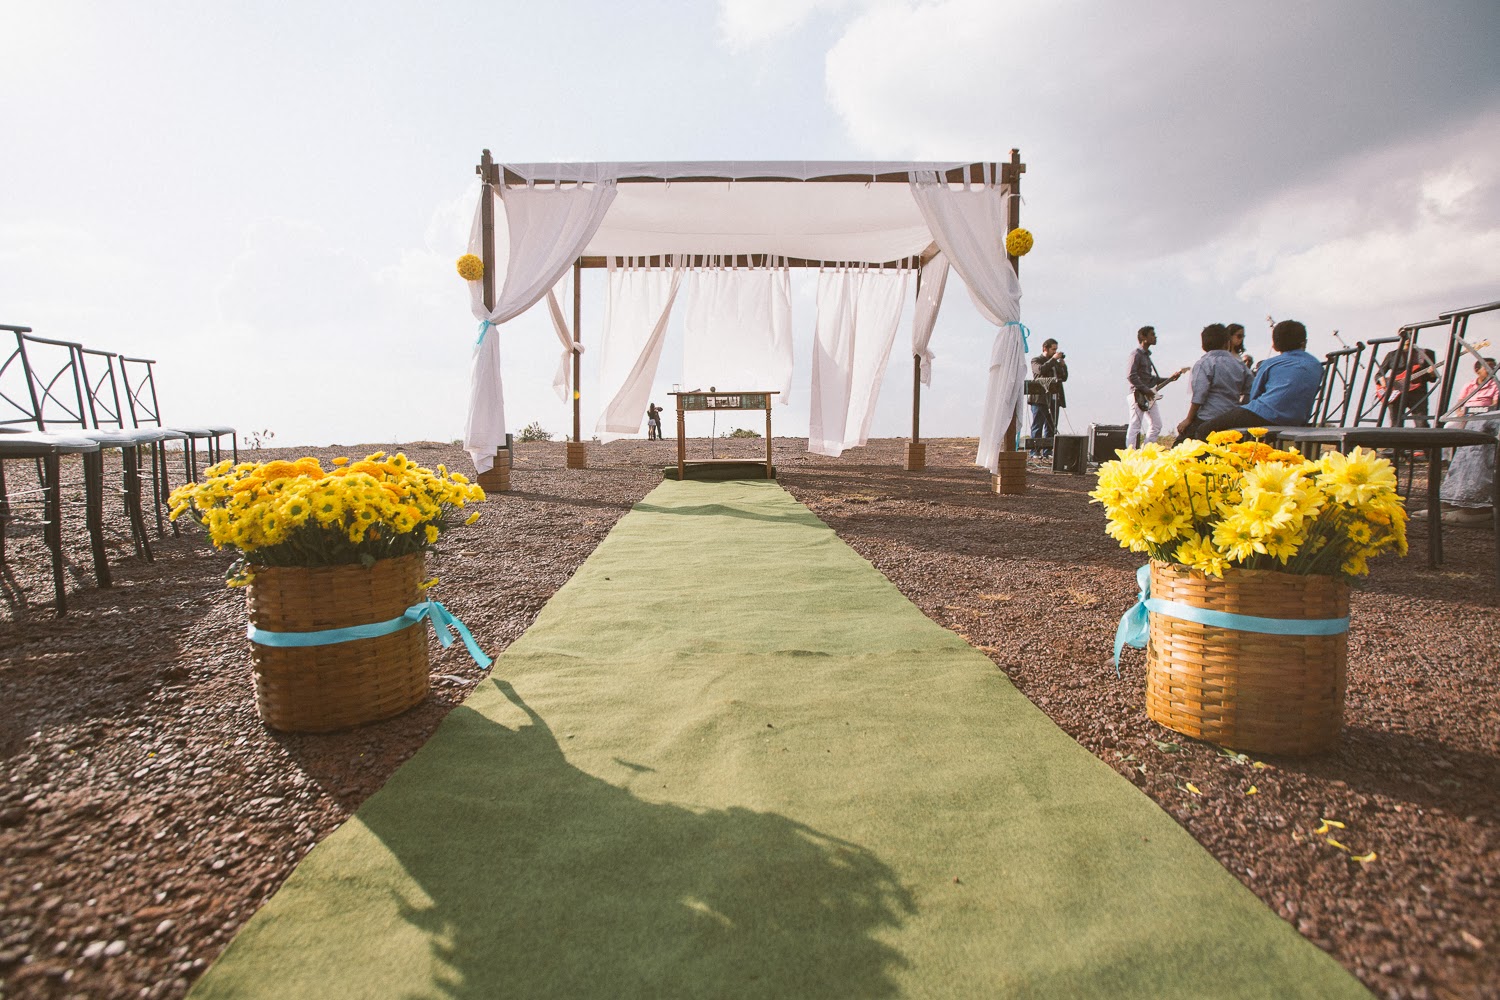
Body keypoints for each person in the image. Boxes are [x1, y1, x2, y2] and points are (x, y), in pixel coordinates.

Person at [1194, 319, 1324, 434]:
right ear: (1304, 342)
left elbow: (1254, 394)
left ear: (1274, 345)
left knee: (1204, 430)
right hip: (1296, 419)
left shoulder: (1269, 364)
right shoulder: (1316, 365)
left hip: (1263, 413)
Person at [1176, 324, 1252, 441]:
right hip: (1232, 418)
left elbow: (1199, 396)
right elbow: (1249, 391)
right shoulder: (1240, 365)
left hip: (1207, 417)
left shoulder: (1204, 363)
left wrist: (1188, 419)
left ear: (1203, 345)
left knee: (1179, 448)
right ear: (1227, 343)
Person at [1125, 326, 1188, 448]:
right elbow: (1131, 375)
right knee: (1135, 426)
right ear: (1143, 337)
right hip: (1137, 395)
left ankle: (1146, 451)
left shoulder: (1146, 357)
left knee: (1156, 425)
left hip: (1148, 396)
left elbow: (1152, 380)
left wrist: (1170, 378)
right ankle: (1130, 455)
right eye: (1152, 334)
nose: (1155, 337)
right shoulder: (1136, 354)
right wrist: (1145, 390)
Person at [1375, 331, 1438, 427]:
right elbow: (1378, 374)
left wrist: (1432, 372)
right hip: (1396, 393)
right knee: (1396, 424)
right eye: (1404, 336)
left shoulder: (1426, 353)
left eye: (1410, 335)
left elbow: (1433, 379)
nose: (1407, 339)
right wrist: (1381, 379)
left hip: (1418, 393)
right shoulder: (1391, 355)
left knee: (1421, 423)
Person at [1027, 339, 1069, 458]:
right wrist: (1054, 359)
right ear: (1045, 348)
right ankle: (1035, 451)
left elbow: (1063, 378)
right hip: (1039, 399)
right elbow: (1041, 370)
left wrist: (1063, 366)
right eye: (1053, 349)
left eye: (1056, 349)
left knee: (1051, 426)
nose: (1055, 352)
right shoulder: (1036, 360)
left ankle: (1048, 451)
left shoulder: (1054, 362)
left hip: (1054, 399)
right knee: (1038, 425)